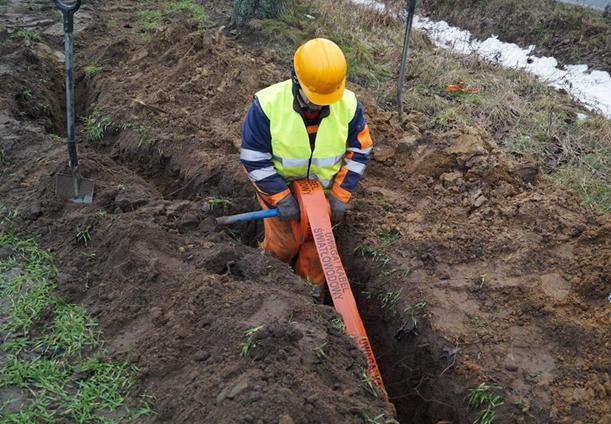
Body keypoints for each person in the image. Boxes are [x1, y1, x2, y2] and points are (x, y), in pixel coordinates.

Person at [240, 38, 373, 293]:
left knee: (317, 258)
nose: (321, 104)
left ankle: (312, 308)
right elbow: (254, 158)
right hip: (280, 193)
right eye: (315, 98)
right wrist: (282, 199)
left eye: (327, 98)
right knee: (282, 247)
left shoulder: (349, 106)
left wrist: (339, 197)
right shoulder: (266, 106)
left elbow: (360, 149)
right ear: (295, 79)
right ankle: (266, 291)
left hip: (321, 199)